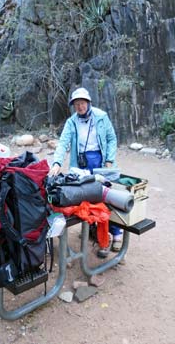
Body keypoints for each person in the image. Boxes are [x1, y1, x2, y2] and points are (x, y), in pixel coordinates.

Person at [49, 87, 121, 258]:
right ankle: (94, 229)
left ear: (88, 102)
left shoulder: (101, 117)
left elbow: (111, 138)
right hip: (80, 163)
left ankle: (115, 234)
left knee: (105, 196)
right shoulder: (71, 122)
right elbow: (63, 143)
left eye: (82, 103)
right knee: (85, 198)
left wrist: (109, 160)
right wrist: (57, 163)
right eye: (76, 104)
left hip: (100, 161)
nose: (80, 107)